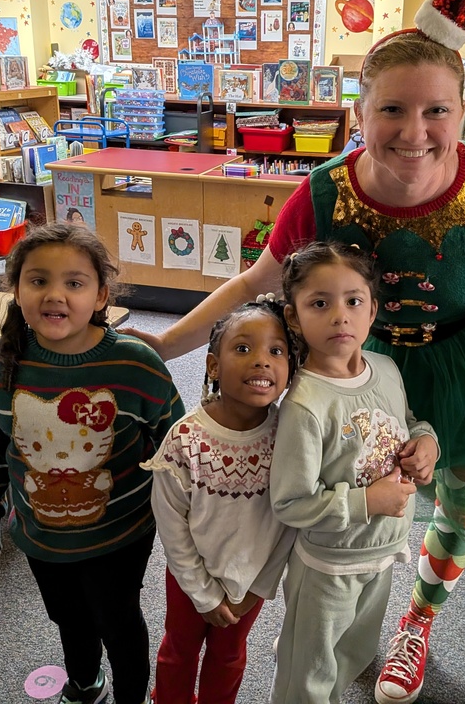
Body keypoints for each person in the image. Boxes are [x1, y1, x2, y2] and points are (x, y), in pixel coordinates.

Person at [125, 0, 465, 704]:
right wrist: (162, 346)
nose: (415, 132)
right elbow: (251, 285)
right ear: (360, 112)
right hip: (362, 365)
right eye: (393, 108)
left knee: (458, 498)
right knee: (367, 496)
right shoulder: (324, 190)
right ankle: (353, 613)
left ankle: (417, 624)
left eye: (437, 111)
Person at [0, 223, 183, 704]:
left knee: (118, 620)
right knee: (68, 617)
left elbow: (178, 446)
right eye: (38, 280)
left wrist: (190, 525)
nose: (55, 295)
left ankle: (129, 697)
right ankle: (83, 683)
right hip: (41, 536)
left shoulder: (135, 364)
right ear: (15, 289)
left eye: (75, 283)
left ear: (102, 294)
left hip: (121, 534)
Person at [268, 241, 438, 702]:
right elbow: (289, 502)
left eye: (353, 301)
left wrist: (427, 443)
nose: (340, 315)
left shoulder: (385, 367)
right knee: (309, 673)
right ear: (294, 316)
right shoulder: (306, 405)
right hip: (328, 567)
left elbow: (410, 421)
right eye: (319, 304)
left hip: (383, 554)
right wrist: (368, 501)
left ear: (373, 310)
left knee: (353, 654)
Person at [143, 298, 297, 704]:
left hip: (249, 583)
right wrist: (202, 593)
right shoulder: (185, 439)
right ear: (213, 365)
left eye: (276, 351)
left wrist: (260, 587)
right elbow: (171, 525)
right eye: (243, 348)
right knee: (179, 651)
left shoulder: (292, 438)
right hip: (189, 578)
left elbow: (291, 519)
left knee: (228, 656)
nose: (262, 361)